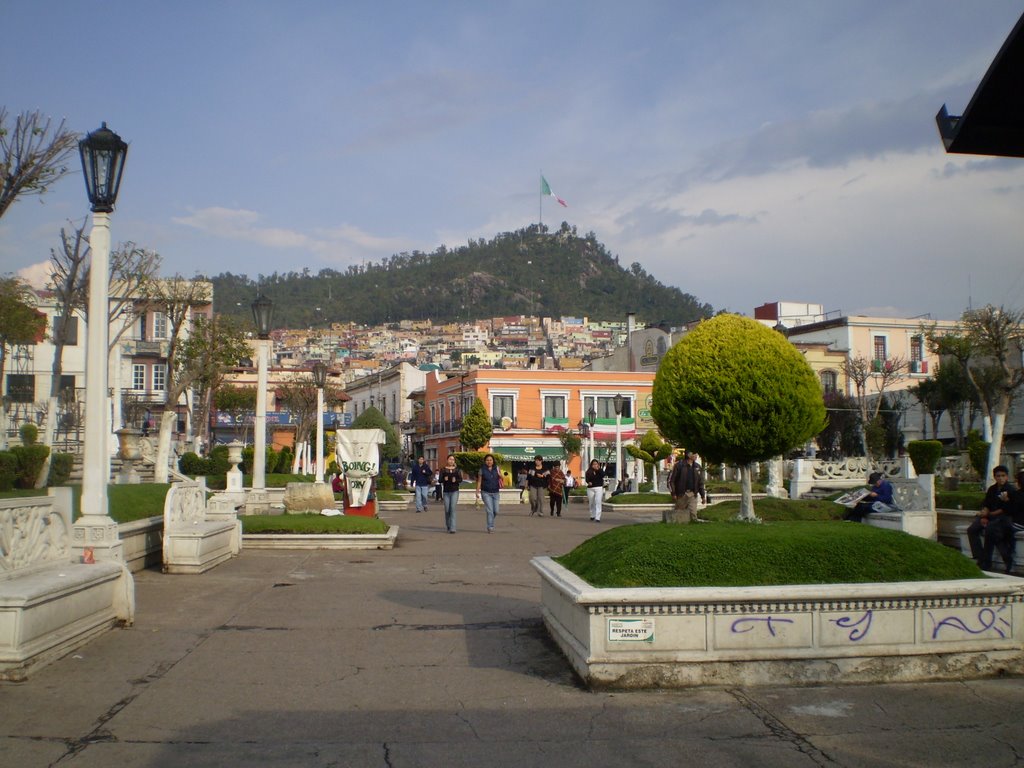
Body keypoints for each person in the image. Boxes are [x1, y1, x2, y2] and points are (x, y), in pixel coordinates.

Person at [967, 465, 1018, 573]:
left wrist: (988, 515)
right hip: (989, 516)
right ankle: (980, 557)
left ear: (1007, 477)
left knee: (990, 530)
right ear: (994, 477)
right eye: (998, 476)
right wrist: (984, 515)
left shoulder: (1011, 490)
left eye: (1003, 476)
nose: (1000, 478)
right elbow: (986, 504)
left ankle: (987, 562)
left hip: (1002, 518)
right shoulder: (992, 489)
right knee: (972, 529)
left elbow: (1005, 509)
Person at [668, 450, 706, 523]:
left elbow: (700, 483)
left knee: (693, 514)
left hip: (692, 494)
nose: (696, 456)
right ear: (688, 455)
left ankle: (693, 527)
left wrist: (703, 496)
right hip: (681, 494)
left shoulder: (697, 467)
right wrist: (673, 493)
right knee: (679, 515)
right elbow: (671, 481)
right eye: (694, 454)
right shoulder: (679, 465)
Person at [475, 453, 501, 533]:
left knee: (496, 511)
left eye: (490, 460)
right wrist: (477, 491)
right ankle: (490, 527)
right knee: (490, 510)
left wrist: (500, 475)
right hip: (486, 492)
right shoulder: (482, 469)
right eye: (487, 460)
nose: (489, 461)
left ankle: (490, 521)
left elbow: (501, 478)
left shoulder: (497, 468)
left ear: (493, 461)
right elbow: (479, 481)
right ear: (485, 461)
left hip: (496, 492)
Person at [439, 454, 463, 533]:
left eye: (453, 460)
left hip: (454, 491)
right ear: (447, 460)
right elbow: (440, 480)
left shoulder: (457, 470)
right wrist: (444, 479)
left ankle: (453, 528)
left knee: (452, 509)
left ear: (454, 461)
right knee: (447, 509)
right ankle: (448, 525)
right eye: (450, 459)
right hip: (446, 492)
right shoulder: (443, 470)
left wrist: (455, 480)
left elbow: (460, 479)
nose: (451, 461)